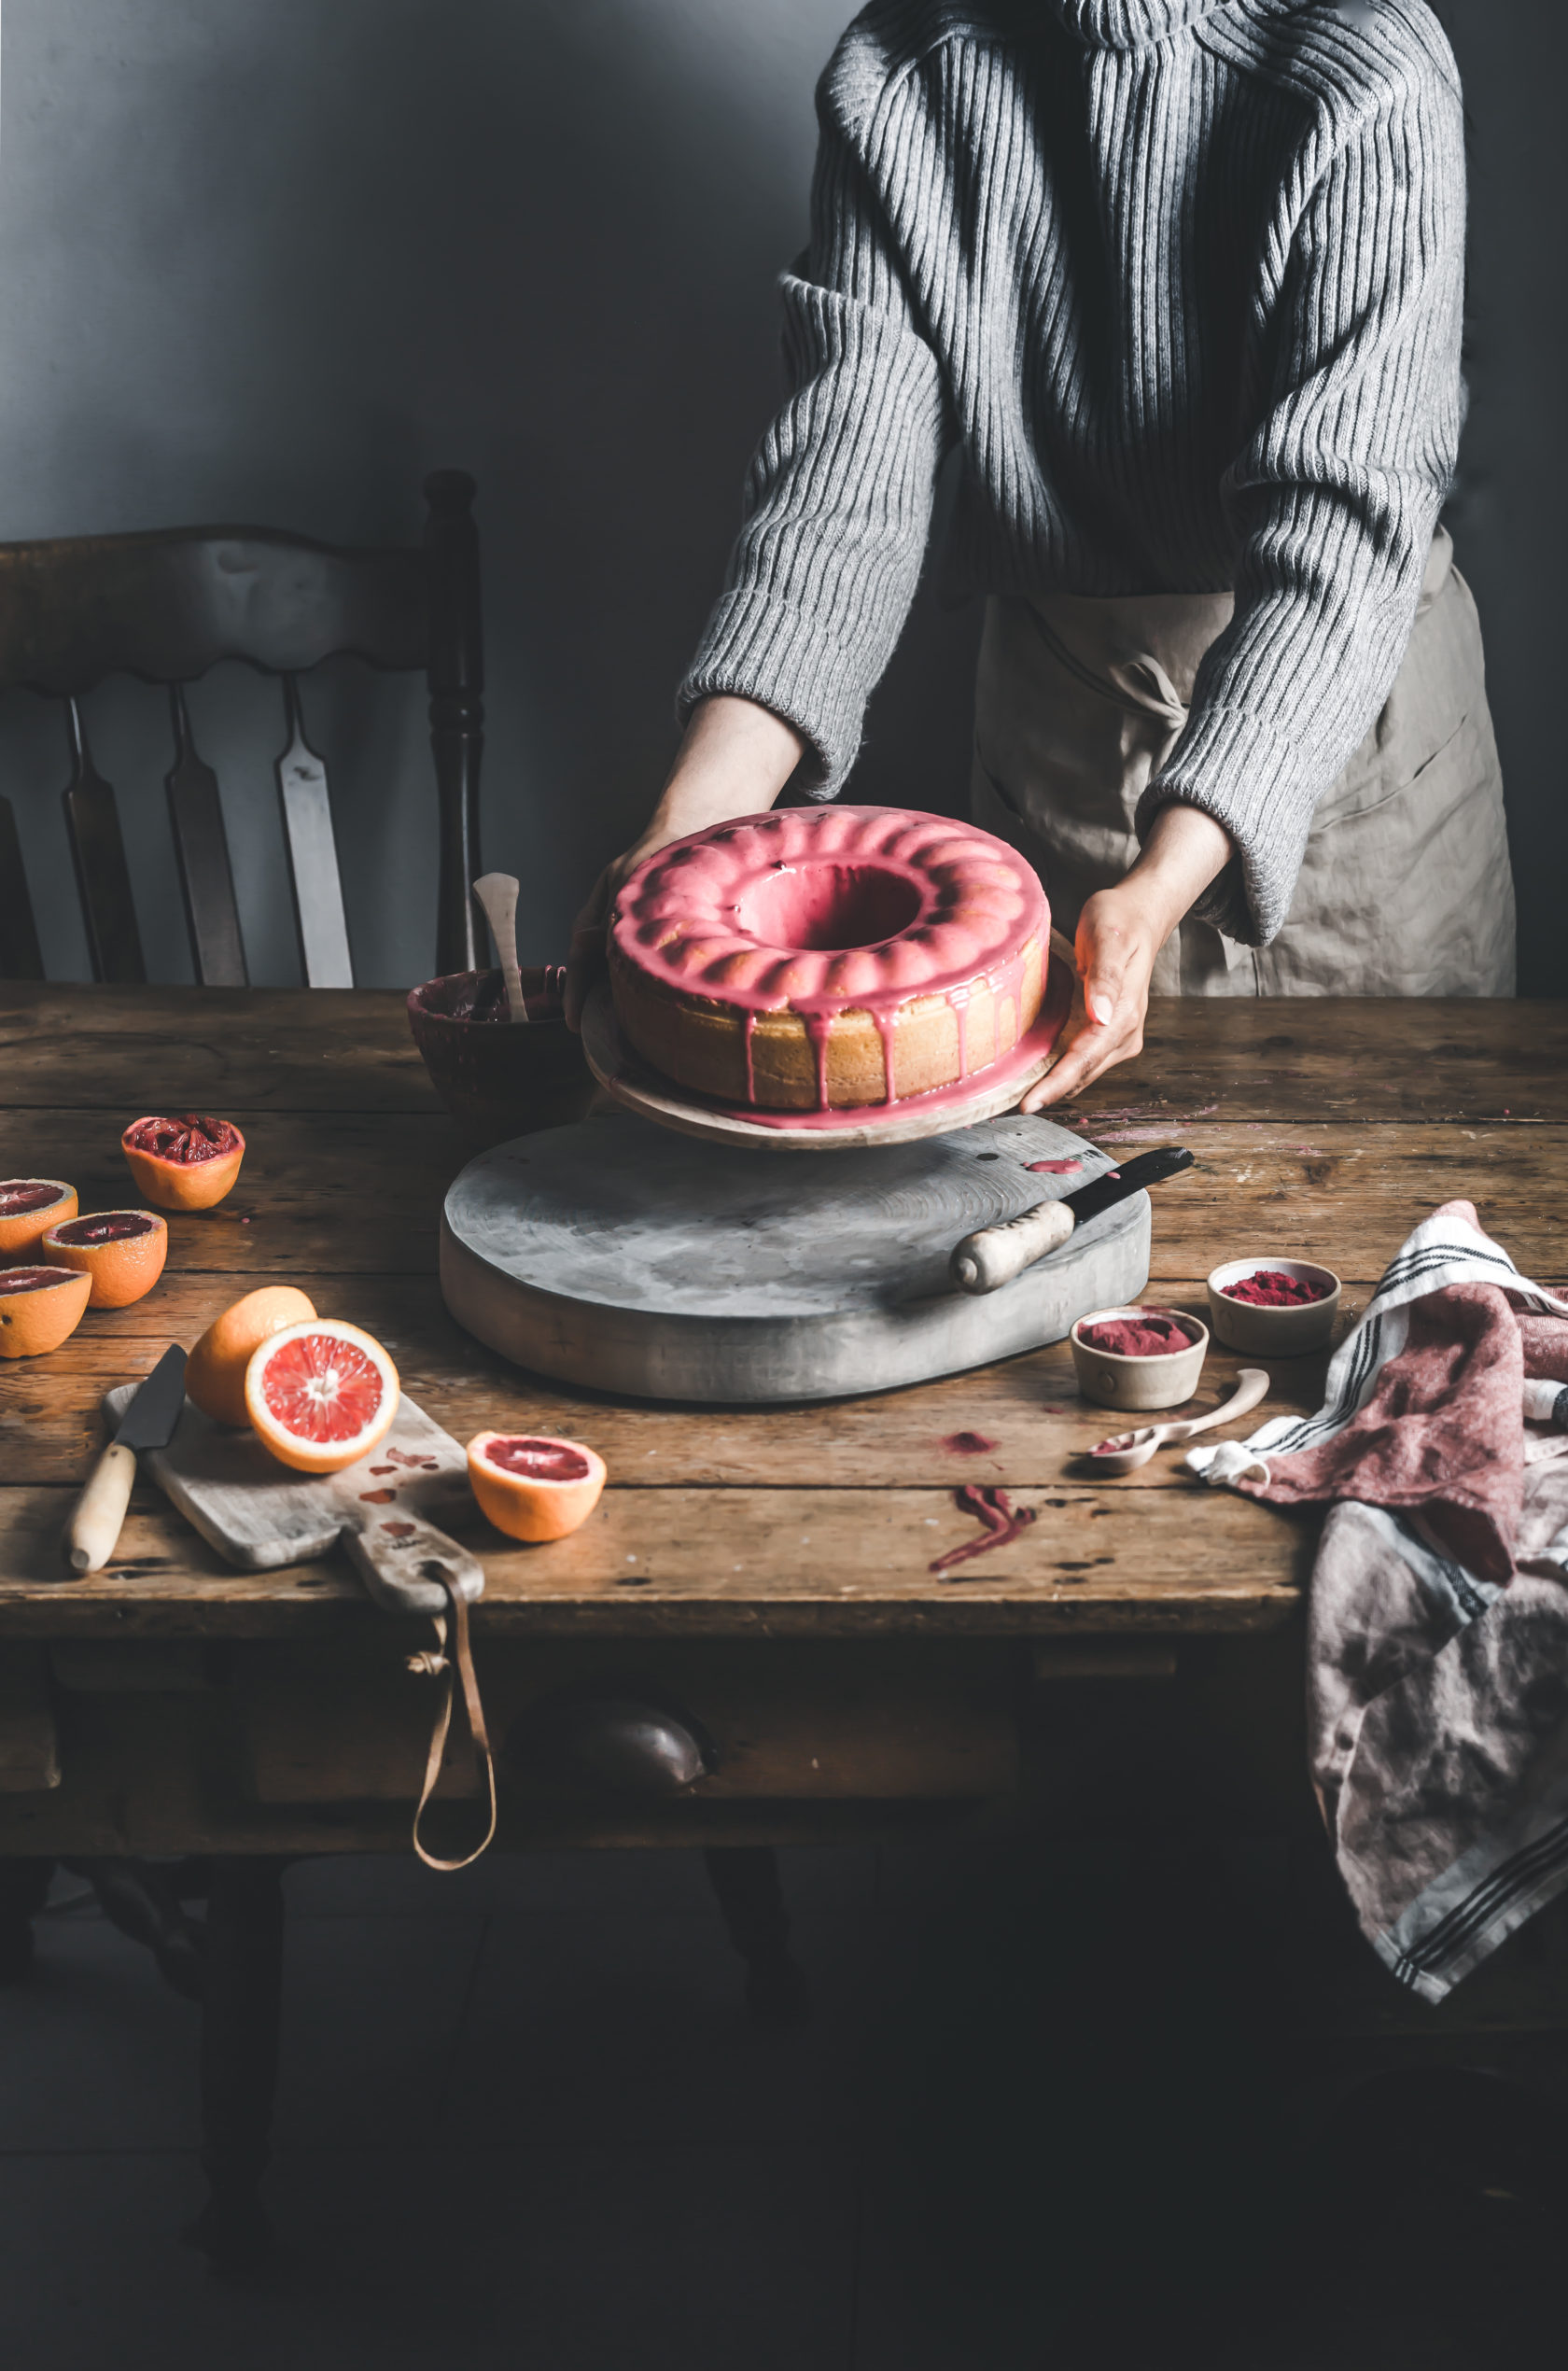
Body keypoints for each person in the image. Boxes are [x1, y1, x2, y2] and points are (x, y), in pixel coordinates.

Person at [566, 0, 1514, 1109]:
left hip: (1357, 768)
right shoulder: (902, 74)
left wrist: (1163, 882)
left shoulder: (1367, 65)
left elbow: (1338, 536)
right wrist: (693, 819)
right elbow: (841, 489)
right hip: (1058, 728)